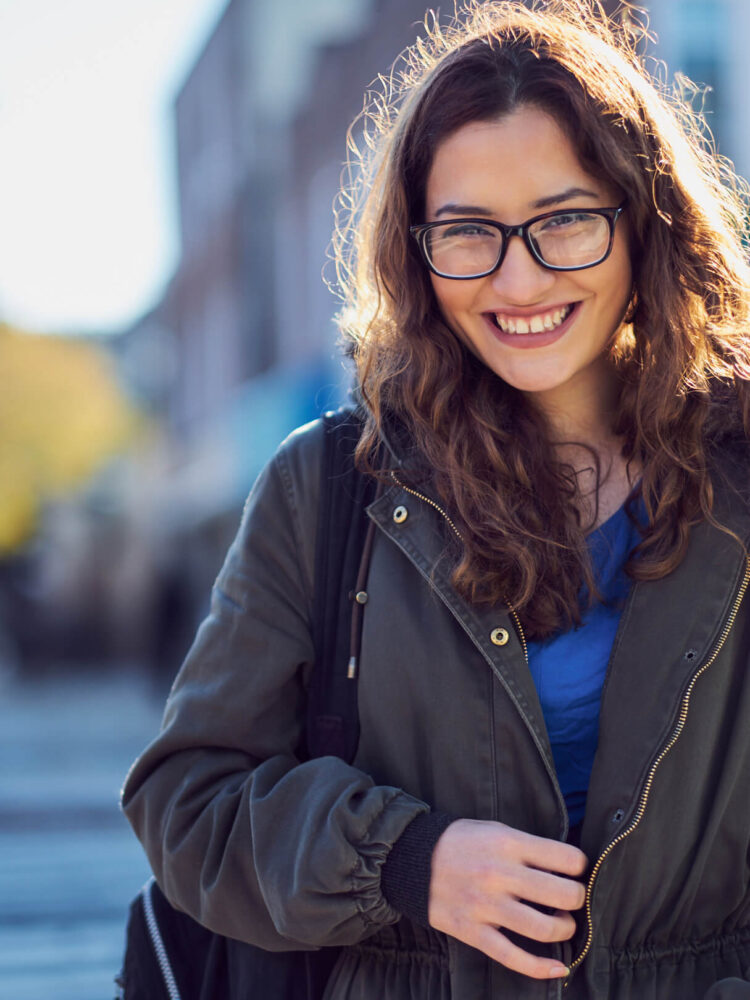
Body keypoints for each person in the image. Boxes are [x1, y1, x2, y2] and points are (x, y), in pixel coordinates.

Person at [122, 1, 750, 997]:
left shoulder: (742, 465)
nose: (519, 276)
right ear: (416, 251)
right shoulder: (324, 487)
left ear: (645, 217)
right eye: (468, 232)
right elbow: (185, 802)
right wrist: (404, 863)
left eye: (565, 221)